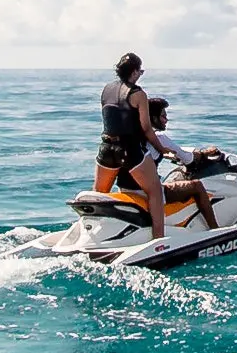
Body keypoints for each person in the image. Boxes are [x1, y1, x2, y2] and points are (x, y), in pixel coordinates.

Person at [95, 54, 221, 231]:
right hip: (128, 149)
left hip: (106, 148)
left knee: (98, 195)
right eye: (140, 71)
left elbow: (113, 121)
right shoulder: (138, 94)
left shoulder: (106, 89)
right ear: (134, 72)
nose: (140, 75)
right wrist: (162, 149)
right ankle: (159, 238)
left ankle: (92, 229)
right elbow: (146, 128)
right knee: (154, 190)